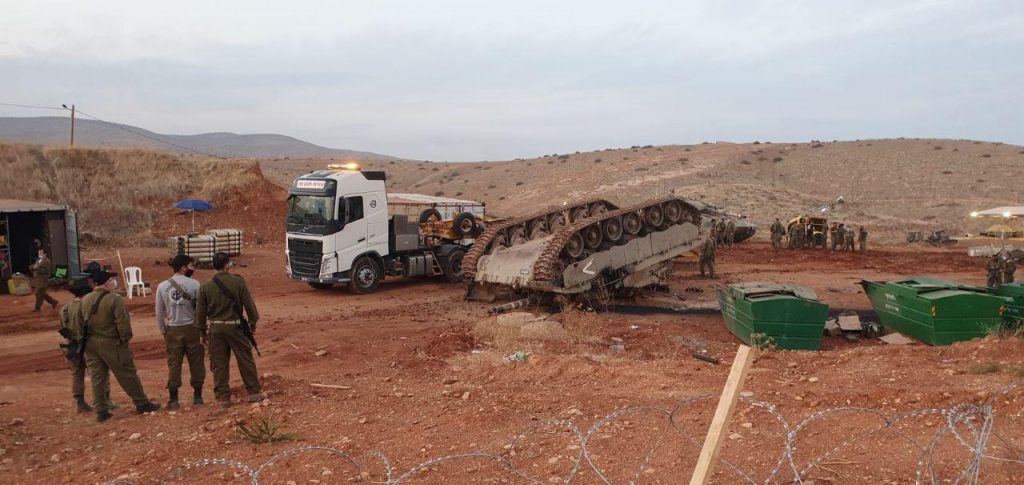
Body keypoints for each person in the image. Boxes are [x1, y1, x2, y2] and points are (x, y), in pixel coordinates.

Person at [81, 270, 161, 422]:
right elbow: (123, 323)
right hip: (111, 342)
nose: (113, 282)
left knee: (97, 377)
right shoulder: (114, 299)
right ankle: (141, 403)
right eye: (111, 279)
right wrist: (125, 340)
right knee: (127, 373)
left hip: (91, 343)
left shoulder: (85, 299)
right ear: (106, 282)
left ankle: (101, 410)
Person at [197, 252, 265, 408]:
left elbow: (200, 313)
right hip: (235, 327)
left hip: (215, 328)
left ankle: (223, 398)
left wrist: (202, 333)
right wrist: (252, 323)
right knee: (245, 359)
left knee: (218, 363)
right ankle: (254, 392)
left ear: (213, 265)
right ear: (227, 264)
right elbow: (249, 305)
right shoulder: (238, 282)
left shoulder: (205, 286)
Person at [155, 255, 205, 409]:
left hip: (173, 329)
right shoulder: (195, 284)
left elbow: (159, 312)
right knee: (196, 362)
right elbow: (201, 309)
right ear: (183, 267)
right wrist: (202, 329)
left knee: (174, 363)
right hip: (192, 328)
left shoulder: (162, 286)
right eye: (190, 265)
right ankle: (197, 396)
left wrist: (164, 330)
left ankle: (173, 399)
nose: (192, 268)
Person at [59, 278, 96, 413]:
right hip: (88, 344)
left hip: (71, 345)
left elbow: (62, 326)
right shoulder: (86, 307)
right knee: (97, 372)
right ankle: (103, 400)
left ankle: (79, 402)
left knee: (77, 373)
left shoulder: (65, 308)